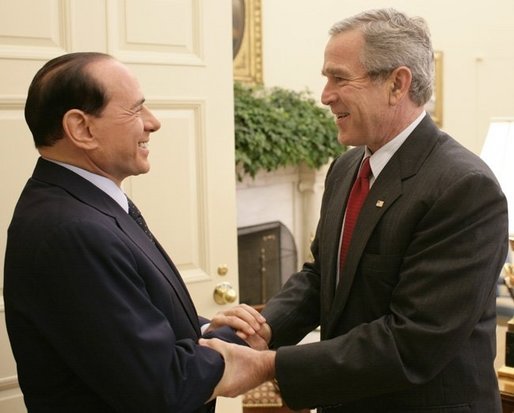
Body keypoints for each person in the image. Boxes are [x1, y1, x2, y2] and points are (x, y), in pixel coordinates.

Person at [200, 8, 509, 412]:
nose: (325, 94)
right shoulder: (347, 167)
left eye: (339, 78)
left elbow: (413, 341)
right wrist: (265, 327)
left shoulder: (464, 187)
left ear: (397, 84)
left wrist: (269, 365)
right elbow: (321, 275)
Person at [3, 52, 266, 413]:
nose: (153, 122)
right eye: (135, 110)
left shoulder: (85, 203)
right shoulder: (72, 231)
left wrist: (205, 329)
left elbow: (121, 334)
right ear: (81, 128)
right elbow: (161, 386)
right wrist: (236, 347)